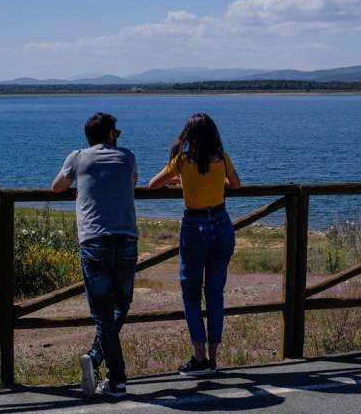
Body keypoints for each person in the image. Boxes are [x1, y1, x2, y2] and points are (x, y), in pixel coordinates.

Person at [52, 112, 138, 398]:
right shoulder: (127, 157)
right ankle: (106, 369)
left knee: (102, 311)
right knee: (121, 304)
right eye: (118, 132)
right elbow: (133, 182)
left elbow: (57, 187)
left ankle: (113, 374)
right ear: (111, 135)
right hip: (126, 239)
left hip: (94, 241)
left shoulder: (77, 157)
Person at [149, 113, 240, 375]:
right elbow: (235, 184)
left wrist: (181, 180)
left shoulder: (183, 160)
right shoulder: (221, 157)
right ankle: (213, 357)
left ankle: (199, 358)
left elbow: (153, 185)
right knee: (214, 293)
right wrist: (215, 181)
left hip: (195, 227)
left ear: (189, 135)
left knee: (191, 292)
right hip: (222, 223)